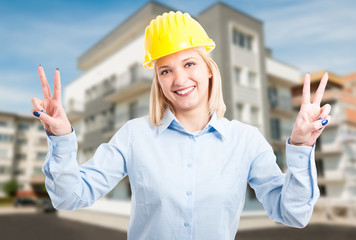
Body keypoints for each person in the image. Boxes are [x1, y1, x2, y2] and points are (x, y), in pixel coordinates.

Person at [31, 11, 331, 240]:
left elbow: (293, 213)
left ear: (209, 70)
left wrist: (302, 146)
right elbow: (70, 197)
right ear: (158, 81)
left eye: (189, 63)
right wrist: (61, 139)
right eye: (165, 70)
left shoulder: (246, 141)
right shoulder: (135, 136)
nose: (179, 79)